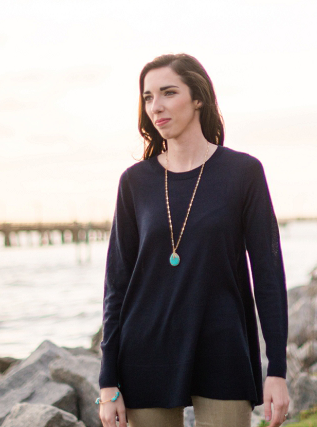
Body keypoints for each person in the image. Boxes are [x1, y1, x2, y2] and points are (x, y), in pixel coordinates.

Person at [97, 53, 290, 427]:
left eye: (168, 93)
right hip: (146, 352)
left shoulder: (243, 173)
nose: (157, 106)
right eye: (148, 97)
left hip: (223, 348)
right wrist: (108, 384)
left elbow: (268, 276)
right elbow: (116, 285)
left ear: (198, 97)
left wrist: (277, 371)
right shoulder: (135, 183)